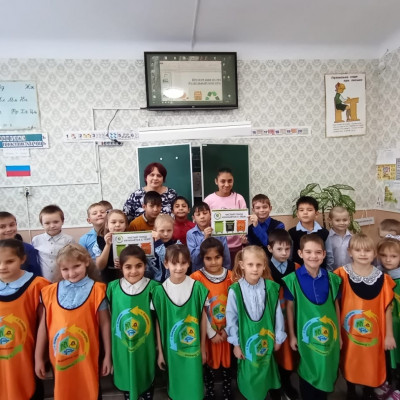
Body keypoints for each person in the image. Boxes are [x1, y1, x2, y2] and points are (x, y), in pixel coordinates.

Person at [35, 243, 112, 400]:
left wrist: (108, 356)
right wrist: (38, 358)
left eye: (76, 266)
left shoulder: (98, 290)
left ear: (86, 262)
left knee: (90, 391)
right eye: (65, 269)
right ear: (60, 269)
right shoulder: (49, 292)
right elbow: (43, 327)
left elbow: (105, 325)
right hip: (60, 358)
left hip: (88, 358)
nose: (71, 273)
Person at [335, 234, 396, 399]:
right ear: (350, 252)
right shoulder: (340, 275)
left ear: (374, 254)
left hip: (374, 335)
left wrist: (389, 335)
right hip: (348, 333)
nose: (363, 254)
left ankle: (369, 391)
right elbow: (335, 306)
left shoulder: (383, 279)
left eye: (367, 250)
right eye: (358, 250)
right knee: (350, 361)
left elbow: (387, 309)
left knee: (371, 363)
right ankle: (351, 391)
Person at [284, 234, 341, 400]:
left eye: (317, 252)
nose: (313, 256)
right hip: (305, 337)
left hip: (330, 336)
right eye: (308, 252)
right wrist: (292, 336)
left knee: (326, 368)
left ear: (324, 254)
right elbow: (289, 308)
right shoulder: (292, 280)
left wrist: (339, 336)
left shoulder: (333, 279)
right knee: (307, 369)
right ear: (300, 254)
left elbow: (336, 307)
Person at [226, 245, 285, 400]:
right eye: (250, 264)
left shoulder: (271, 288)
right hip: (246, 343)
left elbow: (277, 314)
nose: (254, 269)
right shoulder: (235, 290)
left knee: (266, 370)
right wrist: (236, 344)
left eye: (259, 265)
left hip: (267, 340)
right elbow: (231, 319)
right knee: (250, 376)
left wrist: (279, 337)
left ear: (264, 265)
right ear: (242, 265)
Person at [152, 244, 208, 400]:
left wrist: (203, 348)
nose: (179, 267)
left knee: (194, 386)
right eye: (174, 263)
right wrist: (160, 353)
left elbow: (203, 319)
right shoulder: (159, 291)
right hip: (171, 351)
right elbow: (158, 324)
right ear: (166, 264)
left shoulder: (197, 287)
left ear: (189, 263)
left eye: (183, 263)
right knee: (176, 386)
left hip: (194, 349)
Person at [107, 245, 159, 400]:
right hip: (122, 347)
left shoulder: (153, 288)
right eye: (128, 267)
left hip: (146, 347)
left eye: (139, 266)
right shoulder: (112, 288)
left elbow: (158, 320)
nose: (134, 271)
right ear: (121, 267)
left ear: (145, 265)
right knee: (128, 386)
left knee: (145, 383)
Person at [0, 239, 49, 400]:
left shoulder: (39, 286)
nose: (2, 267)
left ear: (22, 259)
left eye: (9, 261)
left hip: (28, 358)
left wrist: (40, 357)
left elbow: (45, 325)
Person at [191, 237, 233, 400]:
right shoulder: (196, 278)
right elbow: (197, 309)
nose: (213, 262)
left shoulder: (231, 277)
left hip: (227, 331)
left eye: (217, 257)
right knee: (208, 363)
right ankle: (209, 391)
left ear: (223, 257)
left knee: (227, 364)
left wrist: (229, 329)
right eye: (208, 258)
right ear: (202, 259)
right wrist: (211, 332)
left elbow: (235, 306)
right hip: (208, 332)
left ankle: (227, 390)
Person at [267, 229, 300, 400]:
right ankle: (274, 385)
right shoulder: (264, 268)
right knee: (272, 350)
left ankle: (286, 382)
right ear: (270, 248)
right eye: (279, 249)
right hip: (270, 317)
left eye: (287, 249)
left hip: (290, 316)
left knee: (288, 351)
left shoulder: (296, 268)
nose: (284, 253)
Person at [204, 167, 247, 266]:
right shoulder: (209, 200)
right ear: (216, 181)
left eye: (230, 181)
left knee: (236, 273)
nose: (226, 184)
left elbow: (243, 221)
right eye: (222, 181)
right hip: (216, 248)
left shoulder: (239, 199)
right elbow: (204, 222)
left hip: (237, 247)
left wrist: (244, 237)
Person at [377, 237, 400, 397]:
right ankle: (389, 383)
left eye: (393, 256)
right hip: (384, 326)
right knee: (387, 356)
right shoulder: (378, 277)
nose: (388, 259)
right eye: (384, 255)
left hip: (398, 323)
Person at [32, 205, 74, 282]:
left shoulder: (68, 240)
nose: (52, 226)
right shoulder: (36, 240)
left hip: (63, 280)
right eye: (47, 223)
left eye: (56, 222)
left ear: (62, 221)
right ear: (42, 224)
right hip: (43, 280)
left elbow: (72, 260)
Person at [186, 202, 230, 272]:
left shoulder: (219, 231)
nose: (202, 217)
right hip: (199, 273)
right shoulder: (191, 234)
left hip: (218, 272)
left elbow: (226, 256)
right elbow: (194, 259)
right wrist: (205, 239)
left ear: (210, 215)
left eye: (205, 213)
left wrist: (227, 272)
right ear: (193, 218)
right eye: (198, 214)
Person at [288, 196, 329, 268]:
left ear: (316, 214)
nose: (305, 212)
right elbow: (289, 256)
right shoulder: (292, 233)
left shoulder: (324, 232)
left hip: (320, 270)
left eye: (309, 210)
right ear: (297, 214)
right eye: (301, 210)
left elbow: (328, 255)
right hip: (298, 271)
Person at [0, 211, 42, 276]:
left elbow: (35, 272)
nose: (9, 229)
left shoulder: (28, 248)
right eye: (2, 227)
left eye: (11, 225)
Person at [96, 209, 127, 283]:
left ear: (126, 225)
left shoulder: (131, 239)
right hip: (108, 278)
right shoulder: (100, 240)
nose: (117, 225)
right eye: (113, 222)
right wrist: (107, 245)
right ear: (107, 225)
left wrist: (125, 263)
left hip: (127, 277)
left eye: (121, 222)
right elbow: (100, 266)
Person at [149, 214, 181, 282]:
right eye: (162, 231)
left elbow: (166, 258)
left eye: (169, 230)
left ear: (173, 230)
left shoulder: (177, 244)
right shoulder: (150, 245)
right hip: (155, 282)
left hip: (174, 281)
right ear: (155, 230)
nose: (166, 234)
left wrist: (159, 243)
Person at [325, 206, 352, 271]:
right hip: (333, 272)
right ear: (330, 220)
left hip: (350, 272)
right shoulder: (327, 238)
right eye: (337, 220)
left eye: (345, 220)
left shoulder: (352, 238)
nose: (342, 223)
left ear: (349, 219)